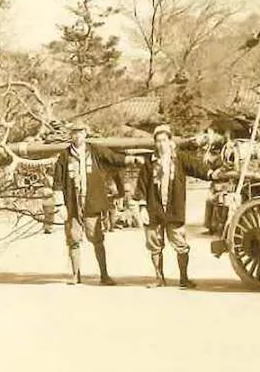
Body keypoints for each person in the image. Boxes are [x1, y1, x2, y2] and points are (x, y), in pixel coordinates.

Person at [133, 124, 219, 289]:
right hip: (154, 209)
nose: (161, 144)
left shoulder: (179, 159)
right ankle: (159, 278)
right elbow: (141, 186)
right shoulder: (149, 163)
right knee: (155, 245)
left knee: (181, 245)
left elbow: (197, 167)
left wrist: (211, 174)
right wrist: (142, 207)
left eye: (164, 140)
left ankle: (184, 278)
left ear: (170, 141)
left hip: (174, 208)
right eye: (158, 141)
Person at [52, 122, 133, 285]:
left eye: (80, 132)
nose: (77, 136)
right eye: (74, 133)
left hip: (92, 203)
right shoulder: (64, 156)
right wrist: (60, 205)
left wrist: (131, 159)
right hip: (72, 205)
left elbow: (113, 158)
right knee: (73, 239)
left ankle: (104, 274)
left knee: (97, 238)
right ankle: (76, 274)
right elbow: (57, 182)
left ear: (85, 134)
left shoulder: (95, 151)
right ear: (71, 135)